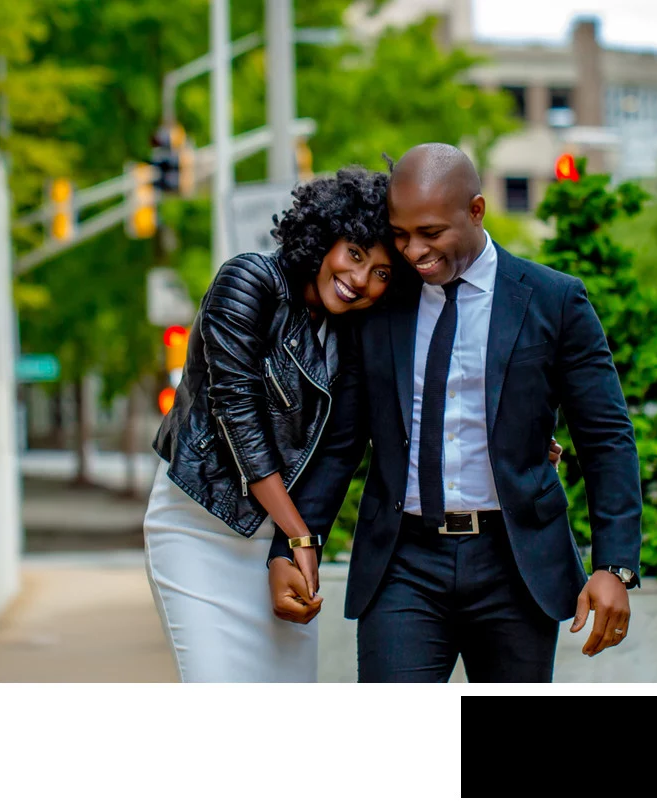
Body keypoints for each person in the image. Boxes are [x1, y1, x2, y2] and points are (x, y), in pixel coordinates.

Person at [144, 165, 567, 682]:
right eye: (355, 254)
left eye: (383, 273)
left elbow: (386, 422)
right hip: (203, 528)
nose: (359, 280)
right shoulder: (249, 281)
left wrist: (513, 442)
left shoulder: (353, 331)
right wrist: (300, 537)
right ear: (324, 237)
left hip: (282, 544)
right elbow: (240, 422)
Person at [341, 143, 643, 683]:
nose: (413, 251)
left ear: (476, 211)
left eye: (431, 233)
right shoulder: (382, 306)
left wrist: (613, 565)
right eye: (402, 234)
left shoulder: (554, 300)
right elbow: (343, 439)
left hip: (515, 562)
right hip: (403, 562)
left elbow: (606, 437)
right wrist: (295, 544)